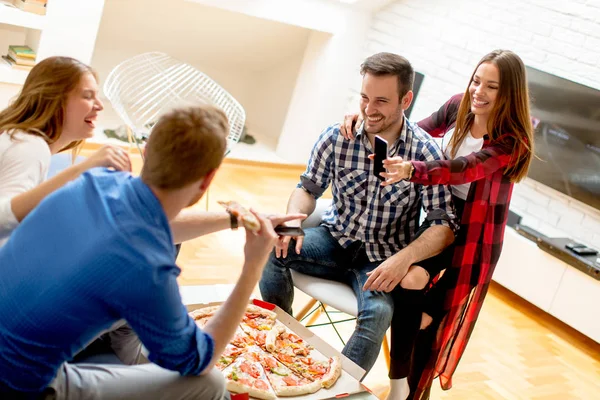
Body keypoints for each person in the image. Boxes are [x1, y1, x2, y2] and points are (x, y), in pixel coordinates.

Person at [0, 104, 305, 399]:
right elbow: (200, 359)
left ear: (147, 150)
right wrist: (252, 266)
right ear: (209, 178)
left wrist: (238, 218)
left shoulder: (94, 182)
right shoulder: (148, 267)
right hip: (19, 387)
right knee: (209, 384)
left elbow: (152, 223)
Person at [341, 49, 534, 399]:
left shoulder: (511, 140)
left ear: (509, 94)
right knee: (413, 297)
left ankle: (407, 389)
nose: (479, 91)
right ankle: (406, 388)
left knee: (421, 303)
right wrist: (367, 114)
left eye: (491, 86)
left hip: (472, 235)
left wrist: (411, 169)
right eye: (477, 81)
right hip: (436, 215)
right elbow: (414, 131)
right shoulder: (459, 106)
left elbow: (465, 168)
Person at [259, 52, 458, 377]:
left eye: (381, 100)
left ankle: (338, 389)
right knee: (275, 247)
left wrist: (405, 259)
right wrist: (294, 217)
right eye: (365, 97)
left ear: (405, 99)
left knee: (378, 313)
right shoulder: (337, 137)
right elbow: (307, 189)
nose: (369, 109)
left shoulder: (425, 153)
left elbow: (443, 227)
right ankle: (283, 342)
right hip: (333, 240)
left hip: (382, 260)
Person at [0, 56, 132, 248]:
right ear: (54, 101)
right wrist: (83, 168)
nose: (100, 105)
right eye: (87, 96)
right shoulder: (29, 146)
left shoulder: (19, 138)